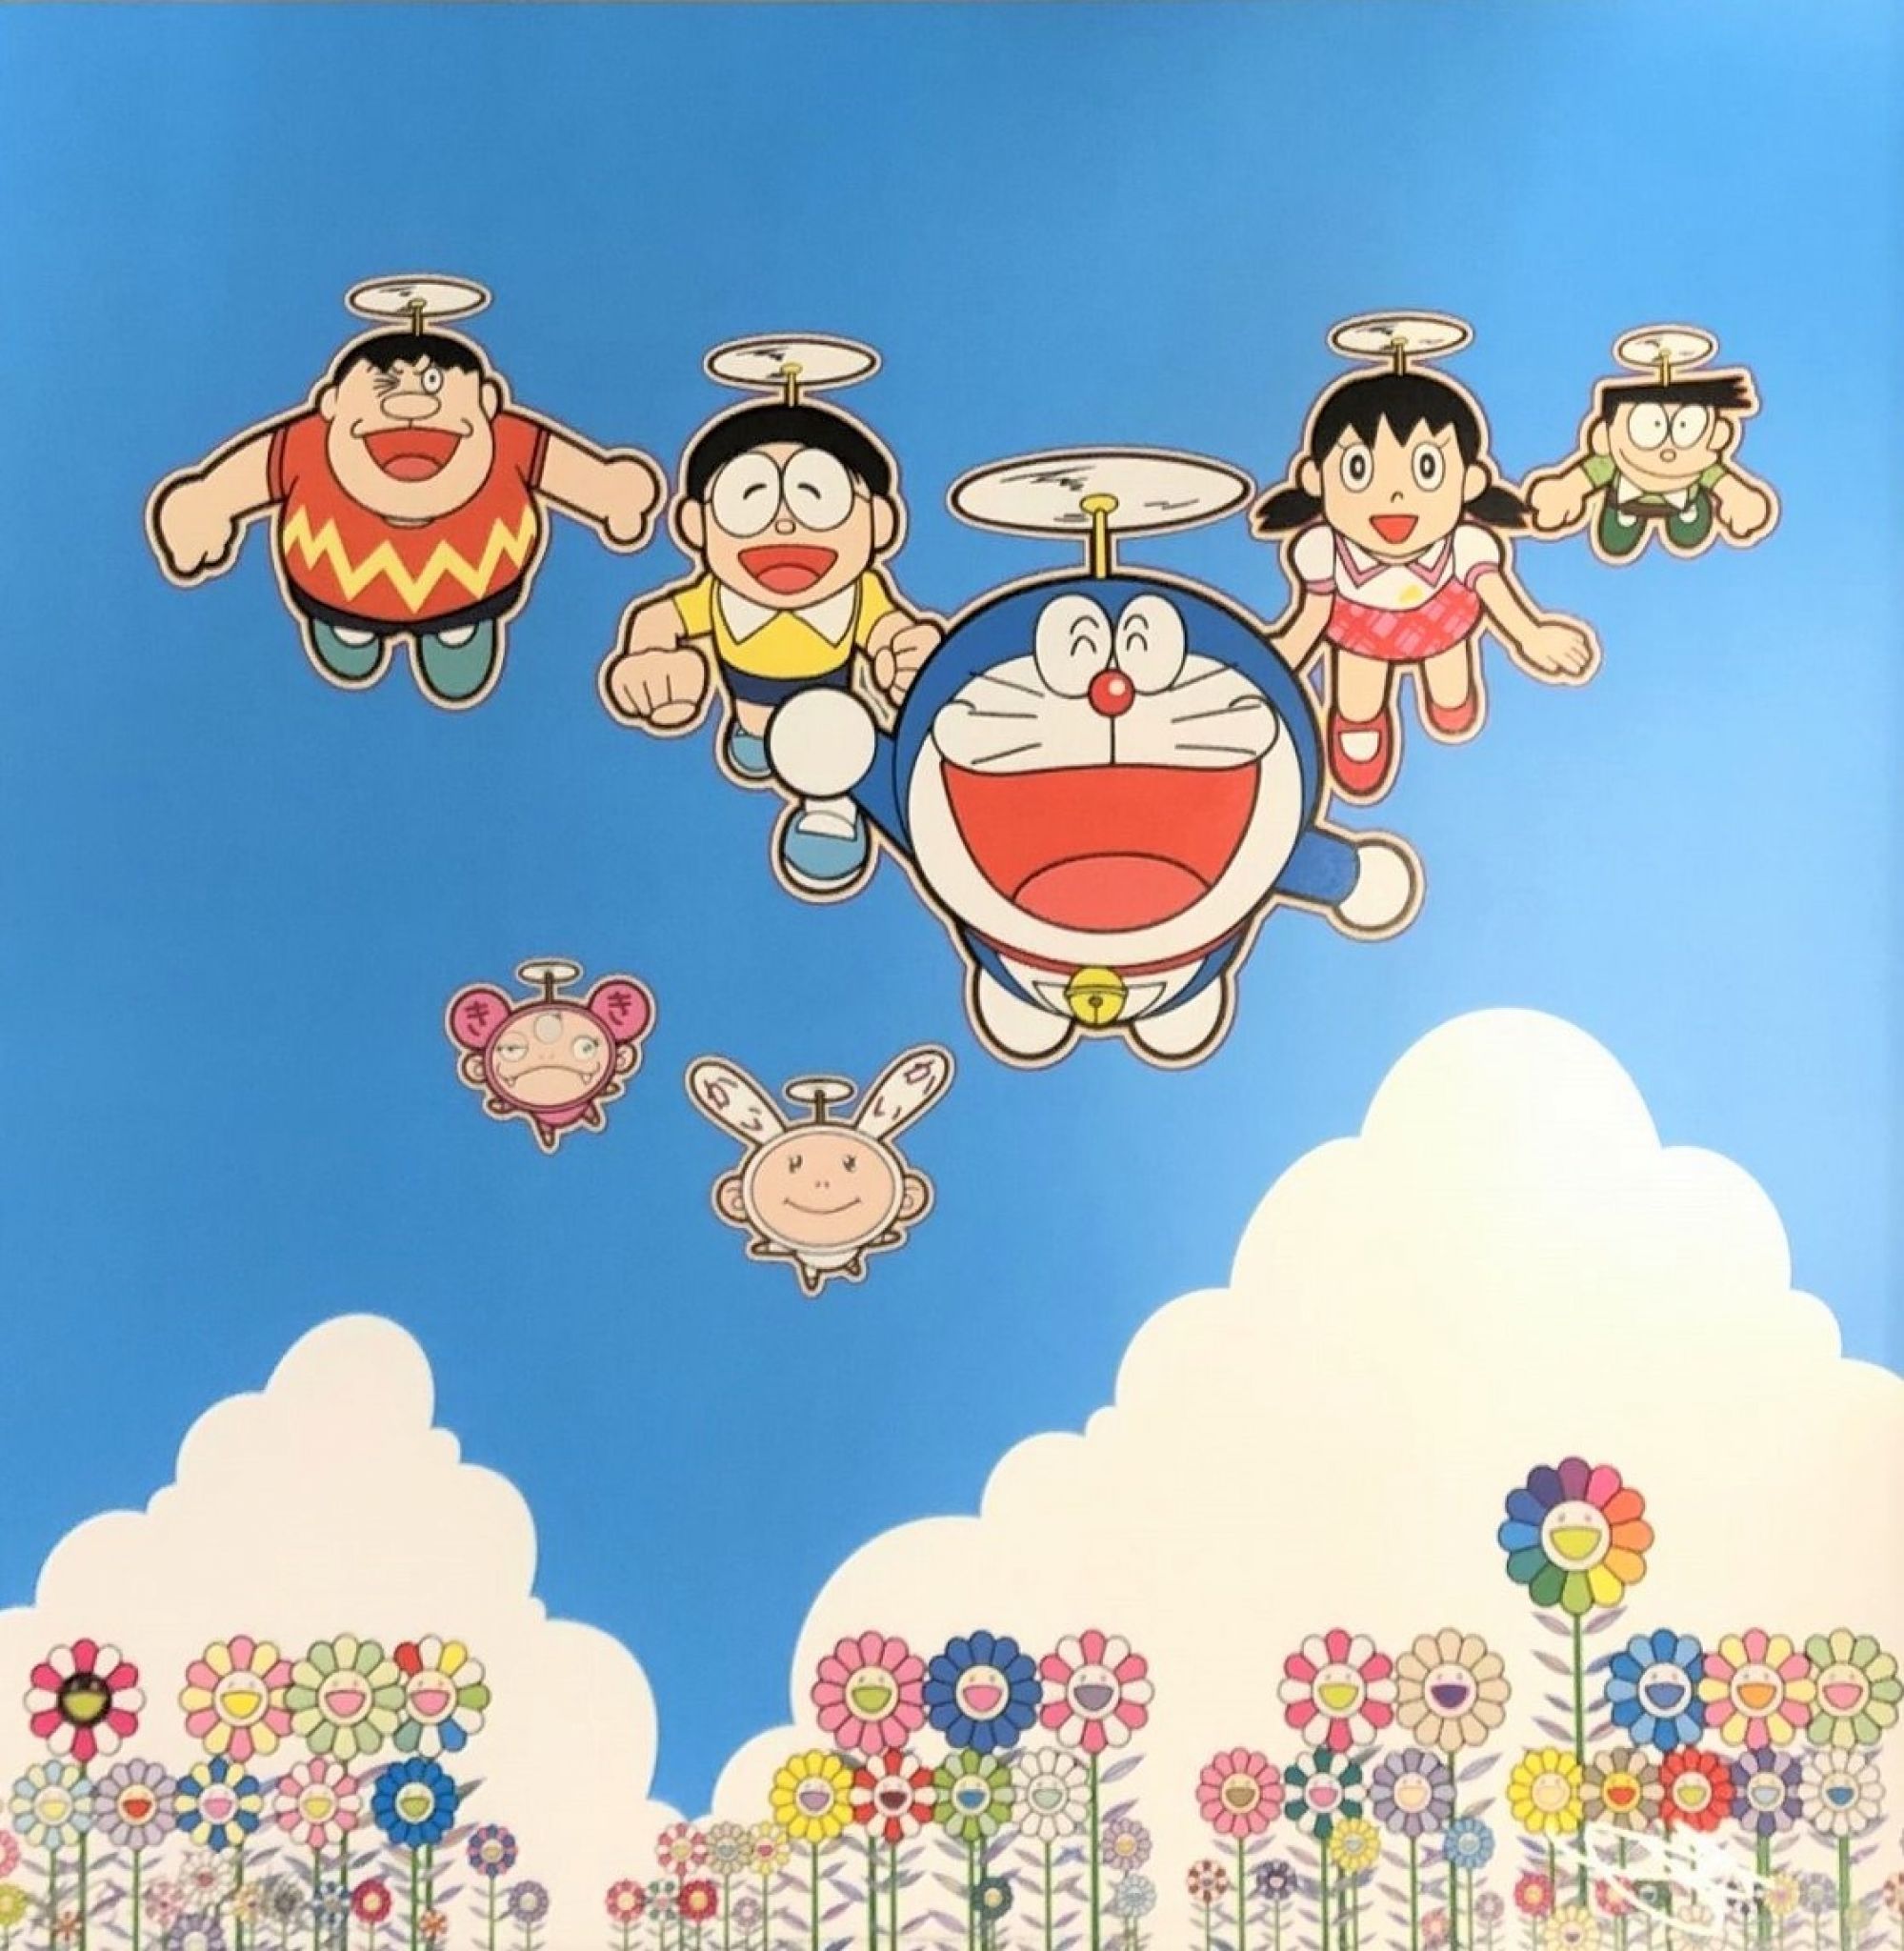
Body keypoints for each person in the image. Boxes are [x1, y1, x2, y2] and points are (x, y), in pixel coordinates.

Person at [149, 279, 662, 710]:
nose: (411, 403)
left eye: (436, 382)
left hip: (472, 590)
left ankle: (454, 634)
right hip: (336, 590)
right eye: (383, 384)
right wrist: (206, 504)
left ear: (487, 402)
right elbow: (244, 477)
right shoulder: (305, 446)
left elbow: (564, 469)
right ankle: (352, 632)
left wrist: (608, 491)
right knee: (347, 649)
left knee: (458, 659)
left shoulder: (508, 442)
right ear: (330, 403)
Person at [598, 339, 940, 895]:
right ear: (695, 525)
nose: (784, 525)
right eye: (749, 497)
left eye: (817, 495)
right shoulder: (715, 596)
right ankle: (755, 735)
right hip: (750, 712)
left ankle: (828, 811)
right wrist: (652, 660)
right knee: (756, 739)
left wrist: (907, 655)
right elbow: (659, 620)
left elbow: (889, 630)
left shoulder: (857, 595)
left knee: (835, 738)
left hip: (821, 718)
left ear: (878, 522)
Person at [1253, 318, 1599, 802]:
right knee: (1356, 701)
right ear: (1315, 479)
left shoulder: (1467, 545)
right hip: (1360, 637)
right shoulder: (1323, 550)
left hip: (1444, 627)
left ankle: (1448, 699)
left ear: (1470, 482)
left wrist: (1531, 634)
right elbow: (1311, 619)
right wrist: (1271, 665)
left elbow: (1496, 595)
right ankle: (1360, 723)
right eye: (1358, 469)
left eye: (1427, 468)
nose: (1394, 494)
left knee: (1452, 695)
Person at [1522, 327, 1776, 561]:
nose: (1668, 450)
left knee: (1689, 534)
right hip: (1622, 505)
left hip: (1688, 504)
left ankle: (1684, 515)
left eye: (1686, 426)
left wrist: (1740, 499)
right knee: (1616, 540)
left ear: (1718, 434)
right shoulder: (1610, 462)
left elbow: (1724, 484)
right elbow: (1586, 476)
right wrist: (1565, 491)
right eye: (1648, 426)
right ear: (1604, 437)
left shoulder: (1701, 467)